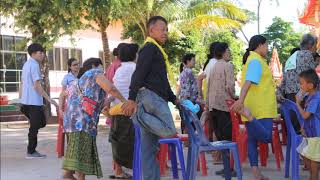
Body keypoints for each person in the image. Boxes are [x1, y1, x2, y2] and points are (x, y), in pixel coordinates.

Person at [122, 16, 179, 180]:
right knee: (169, 130)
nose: (165, 32)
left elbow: (162, 79)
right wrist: (132, 99)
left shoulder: (157, 50)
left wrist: (174, 99)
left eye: (167, 29)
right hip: (151, 98)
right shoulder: (149, 48)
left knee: (148, 150)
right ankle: (138, 115)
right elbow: (138, 73)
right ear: (151, 30)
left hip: (155, 98)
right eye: (162, 29)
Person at [59, 58, 129, 180]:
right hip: (82, 123)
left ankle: (68, 175)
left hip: (71, 122)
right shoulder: (94, 73)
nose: (104, 70)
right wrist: (125, 101)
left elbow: (63, 95)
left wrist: (60, 109)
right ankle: (77, 177)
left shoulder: (78, 81)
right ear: (94, 66)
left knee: (73, 156)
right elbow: (111, 88)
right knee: (82, 156)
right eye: (101, 66)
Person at [231, 35, 277, 180]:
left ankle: (256, 174)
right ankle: (256, 173)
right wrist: (240, 101)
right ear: (260, 45)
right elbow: (248, 82)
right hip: (260, 107)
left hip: (253, 105)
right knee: (266, 137)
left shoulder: (252, 60)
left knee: (252, 139)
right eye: (266, 45)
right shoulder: (256, 61)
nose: (267, 48)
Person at [20, 43, 58, 159]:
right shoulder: (34, 65)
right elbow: (37, 85)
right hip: (33, 102)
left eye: (43, 52)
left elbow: (22, 83)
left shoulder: (26, 64)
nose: (43, 55)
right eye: (40, 53)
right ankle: (31, 152)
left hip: (26, 102)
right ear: (33, 53)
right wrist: (49, 99)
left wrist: (20, 99)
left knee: (36, 125)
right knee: (37, 125)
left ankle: (31, 151)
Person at [108, 43, 138, 179]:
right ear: (134, 55)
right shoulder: (134, 68)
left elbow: (113, 88)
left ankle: (119, 171)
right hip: (128, 111)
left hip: (115, 109)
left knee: (116, 141)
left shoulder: (120, 69)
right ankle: (136, 170)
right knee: (129, 142)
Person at [206, 42, 237, 175]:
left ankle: (226, 167)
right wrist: (234, 97)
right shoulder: (227, 65)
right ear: (223, 52)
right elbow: (229, 86)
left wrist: (208, 105)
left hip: (213, 106)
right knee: (228, 139)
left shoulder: (213, 66)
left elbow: (208, 87)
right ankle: (229, 169)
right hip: (224, 106)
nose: (229, 53)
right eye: (228, 51)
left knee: (221, 138)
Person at [295, 69, 320, 180]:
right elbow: (307, 117)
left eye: (301, 83)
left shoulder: (316, 98)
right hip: (310, 133)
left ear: (310, 85)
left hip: (316, 134)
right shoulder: (310, 96)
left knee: (314, 162)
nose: (300, 86)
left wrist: (297, 104)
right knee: (303, 153)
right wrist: (303, 127)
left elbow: (305, 115)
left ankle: (313, 177)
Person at [178, 53, 202, 133]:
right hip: (189, 100)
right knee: (191, 123)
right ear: (188, 61)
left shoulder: (182, 72)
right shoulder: (189, 72)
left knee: (186, 122)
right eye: (193, 60)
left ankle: (186, 142)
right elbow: (192, 88)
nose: (194, 62)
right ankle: (189, 142)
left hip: (184, 100)